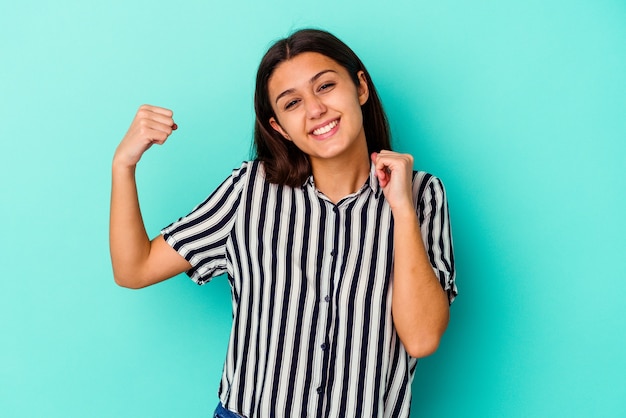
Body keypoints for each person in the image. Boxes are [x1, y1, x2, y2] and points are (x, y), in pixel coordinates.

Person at [110, 29, 457, 418]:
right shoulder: (248, 190)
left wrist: (402, 211)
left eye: (325, 86)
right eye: (292, 103)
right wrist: (123, 166)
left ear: (360, 87)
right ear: (278, 127)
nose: (315, 110)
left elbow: (422, 338)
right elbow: (134, 268)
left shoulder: (422, 193)